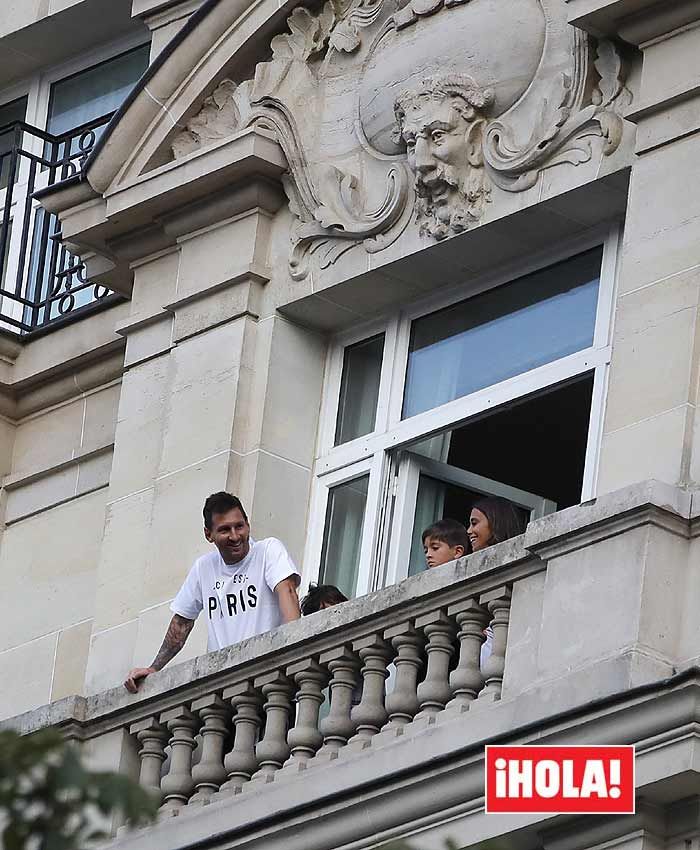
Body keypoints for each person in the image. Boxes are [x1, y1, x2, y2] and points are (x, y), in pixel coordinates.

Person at [124, 492, 301, 693]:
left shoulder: (268, 550)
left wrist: (293, 650)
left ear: (248, 524)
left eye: (239, 526)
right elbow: (181, 623)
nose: (235, 536)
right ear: (209, 534)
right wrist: (154, 668)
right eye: (225, 530)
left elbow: (287, 592)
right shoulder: (204, 568)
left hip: (268, 677)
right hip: (223, 687)